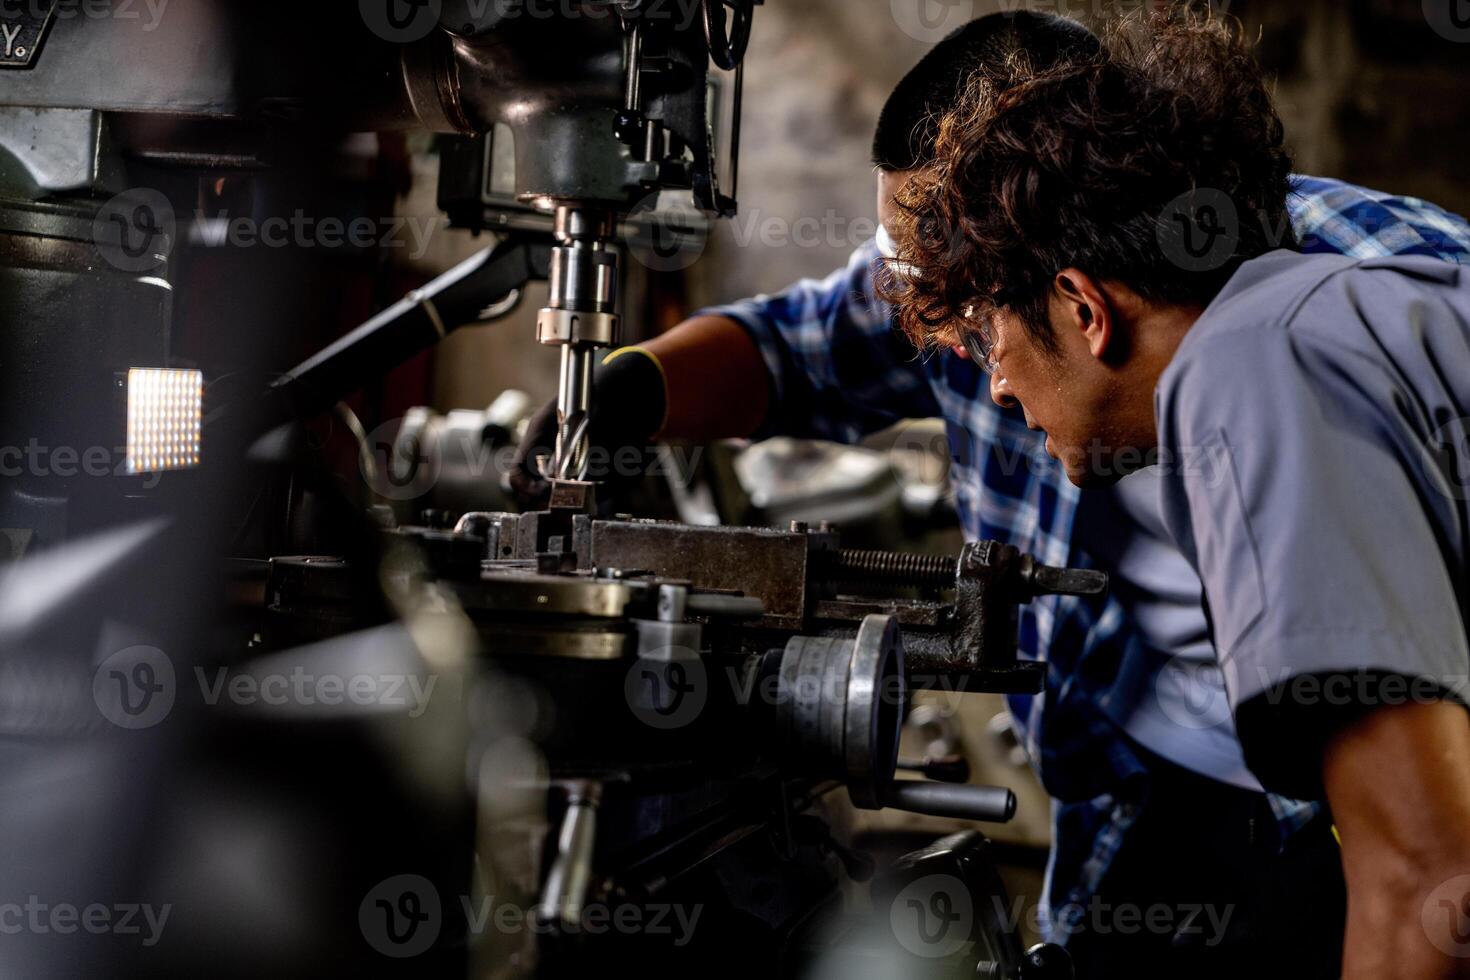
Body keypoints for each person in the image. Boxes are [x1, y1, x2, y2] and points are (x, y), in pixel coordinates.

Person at [513, 11, 1470, 975]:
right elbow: (788, 349)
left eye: (972, 319)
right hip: (1161, 770)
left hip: (1377, 775)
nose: (976, 365)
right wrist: (602, 395)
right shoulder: (1002, 283)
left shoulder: (1283, 345)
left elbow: (1426, 864)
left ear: (1067, 281)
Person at [884, 10, 1470, 978]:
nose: (993, 385)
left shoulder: (1249, 368)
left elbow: (1427, 882)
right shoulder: (1339, 312)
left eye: (992, 339)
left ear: (1083, 305)